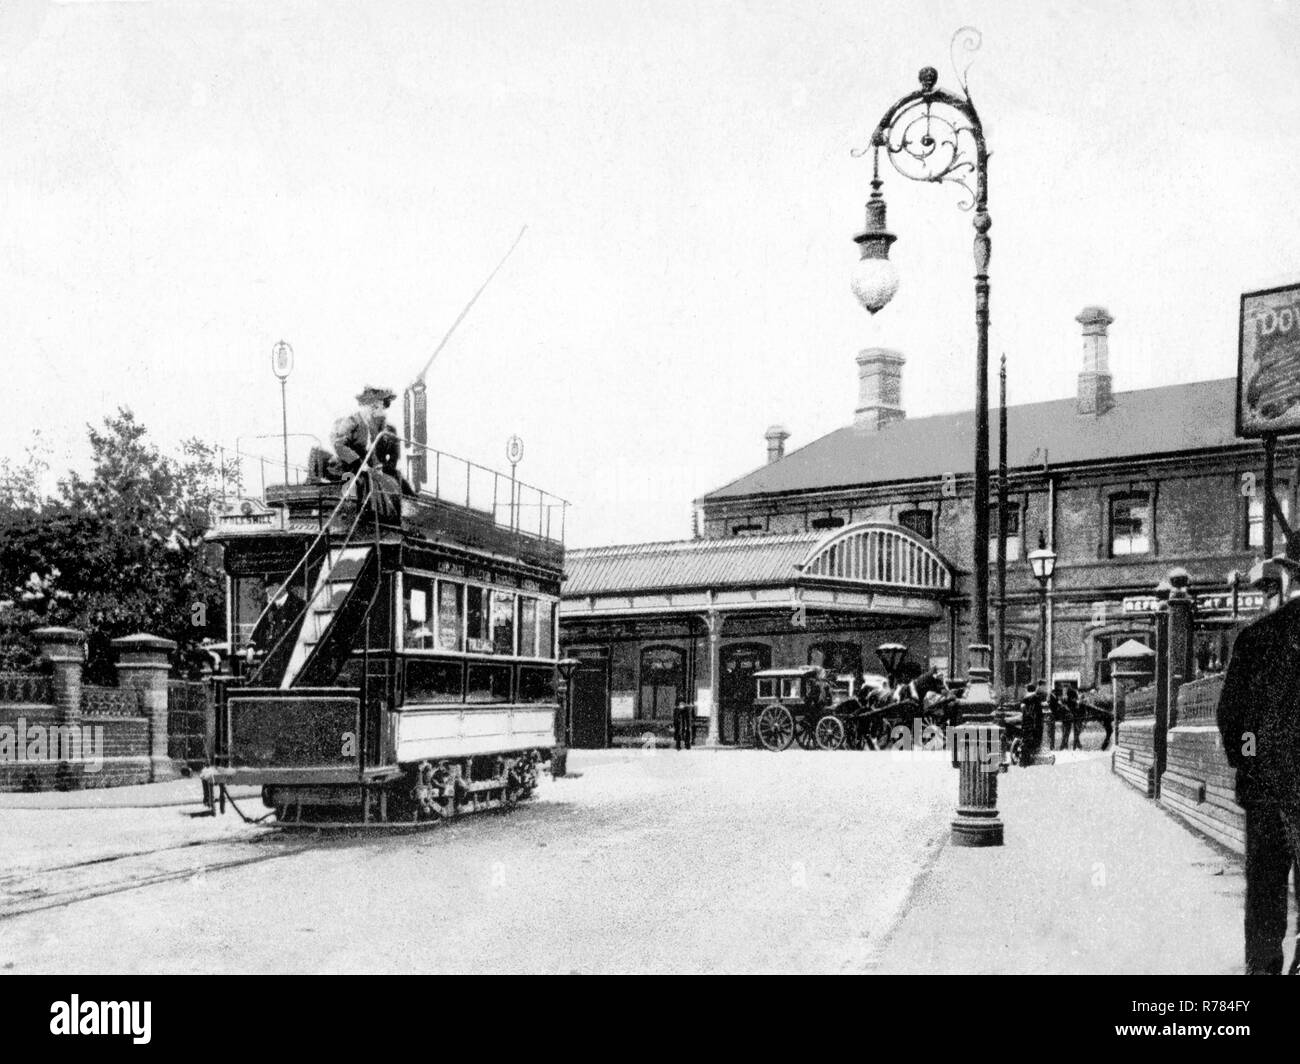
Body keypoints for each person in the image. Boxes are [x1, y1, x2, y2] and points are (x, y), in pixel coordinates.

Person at [1216, 580, 1300, 975]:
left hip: (1266, 787)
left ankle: (1263, 968)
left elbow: (1238, 720)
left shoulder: (1257, 636)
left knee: (1265, 886)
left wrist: (1252, 759)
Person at [331, 386, 408, 520]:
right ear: (365, 405)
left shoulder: (372, 427)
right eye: (373, 407)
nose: (375, 411)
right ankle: (371, 515)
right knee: (368, 480)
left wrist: (377, 467)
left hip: (364, 467)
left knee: (388, 481)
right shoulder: (352, 421)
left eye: (378, 407)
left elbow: (371, 452)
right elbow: (339, 445)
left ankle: (386, 516)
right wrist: (358, 462)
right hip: (347, 465)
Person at [1019, 681, 1046, 764]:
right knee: (1034, 740)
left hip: (1026, 723)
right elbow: (1039, 712)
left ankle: (1024, 759)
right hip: (1035, 723)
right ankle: (1031, 758)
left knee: (1026, 741)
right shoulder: (1036, 698)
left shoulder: (1024, 699)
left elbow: (1022, 710)